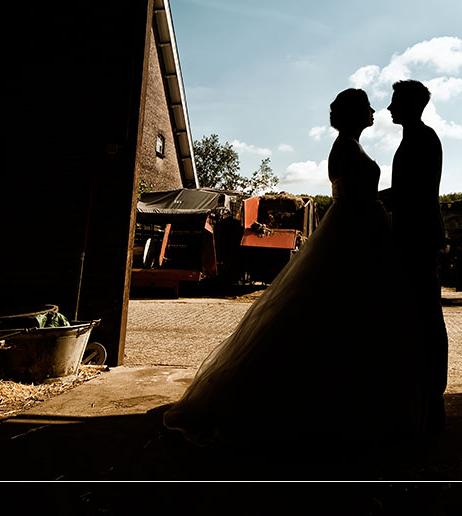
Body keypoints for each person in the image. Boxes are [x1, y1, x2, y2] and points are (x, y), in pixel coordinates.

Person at [162, 88, 423, 450]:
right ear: (352, 114)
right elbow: (357, 196)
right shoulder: (346, 147)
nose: (374, 111)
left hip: (360, 227)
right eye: (367, 107)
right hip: (356, 231)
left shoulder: (349, 146)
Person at [385, 79, 448, 431]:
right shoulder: (414, 138)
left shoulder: (423, 139)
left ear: (411, 105)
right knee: (418, 314)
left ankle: (432, 395)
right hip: (413, 236)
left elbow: (412, 193)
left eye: (395, 102)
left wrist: (372, 197)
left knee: (426, 315)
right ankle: (421, 392)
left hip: (418, 237)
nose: (390, 108)